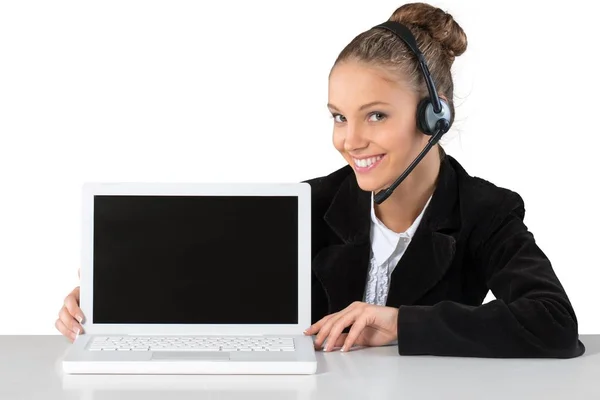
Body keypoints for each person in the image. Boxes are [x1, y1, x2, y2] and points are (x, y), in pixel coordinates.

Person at [56, 2, 585, 358]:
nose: (350, 140)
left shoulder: (484, 212)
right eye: (338, 116)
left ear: (434, 117)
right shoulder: (312, 203)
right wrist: (113, 292)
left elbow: (554, 323)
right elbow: (208, 279)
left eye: (375, 115)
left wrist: (401, 323)